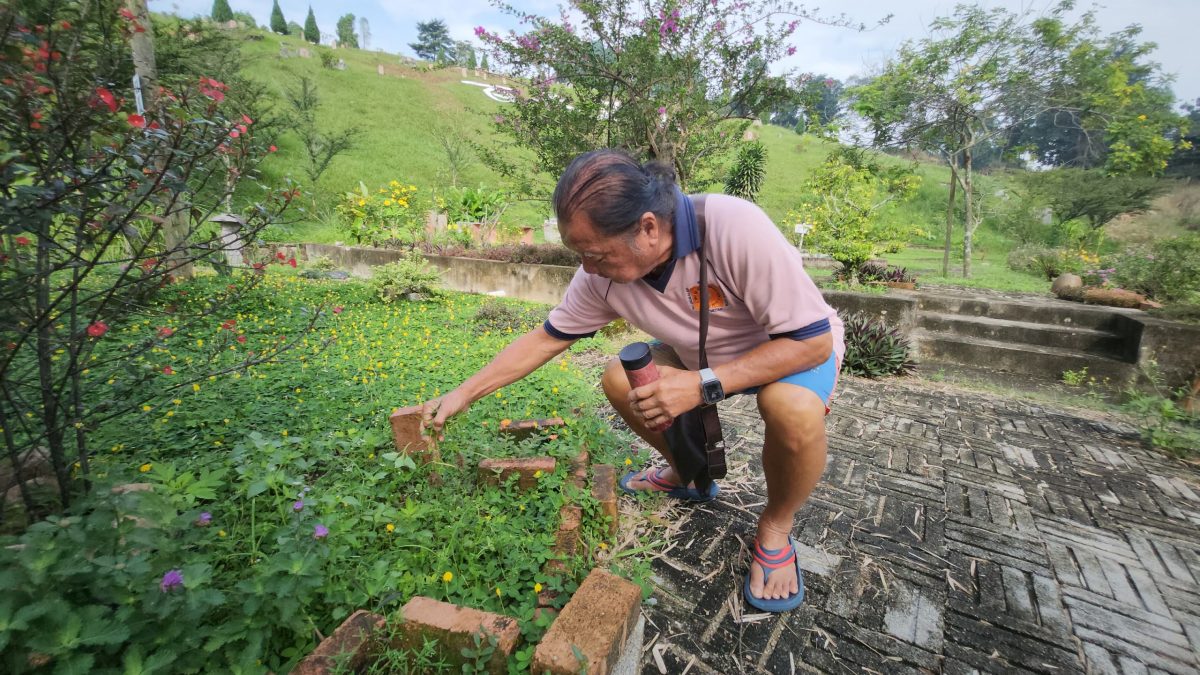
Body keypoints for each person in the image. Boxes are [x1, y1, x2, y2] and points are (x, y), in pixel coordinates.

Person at [421, 149, 844, 613]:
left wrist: (701, 384)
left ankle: (776, 528)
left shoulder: (731, 226)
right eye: (579, 255)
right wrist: (463, 392)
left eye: (595, 254)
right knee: (620, 378)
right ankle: (687, 472)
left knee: (790, 408)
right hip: (700, 356)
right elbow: (546, 339)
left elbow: (811, 342)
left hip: (788, 348)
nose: (587, 268)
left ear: (647, 227)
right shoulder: (600, 276)